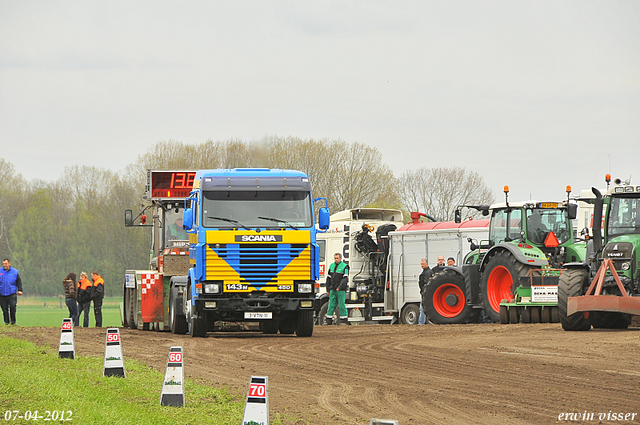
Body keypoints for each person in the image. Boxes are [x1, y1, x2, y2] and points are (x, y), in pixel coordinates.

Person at [325, 253, 350, 325]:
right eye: (335, 258)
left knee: (341, 304)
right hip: (332, 289)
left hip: (341, 290)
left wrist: (340, 287)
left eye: (337, 258)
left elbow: (345, 278)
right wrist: (328, 289)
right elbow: (328, 278)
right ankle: (328, 320)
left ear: (340, 259)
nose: (336, 259)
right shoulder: (331, 266)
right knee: (331, 304)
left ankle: (344, 320)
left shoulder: (345, 266)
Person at [0, 258, 23, 325]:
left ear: (9, 264)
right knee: (4, 309)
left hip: (11, 293)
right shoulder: (0, 271)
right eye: (3, 264)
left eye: (6, 264)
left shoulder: (15, 272)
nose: (5, 265)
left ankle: (13, 322)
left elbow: (19, 282)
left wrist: (20, 290)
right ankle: (6, 322)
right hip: (2, 294)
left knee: (13, 307)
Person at [418, 258, 433, 325]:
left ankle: (421, 323)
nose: (422, 265)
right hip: (424, 292)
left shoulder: (427, 273)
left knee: (423, 308)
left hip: (426, 293)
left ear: (427, 264)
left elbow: (426, 283)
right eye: (421, 264)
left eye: (423, 264)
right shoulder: (425, 272)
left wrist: (424, 291)